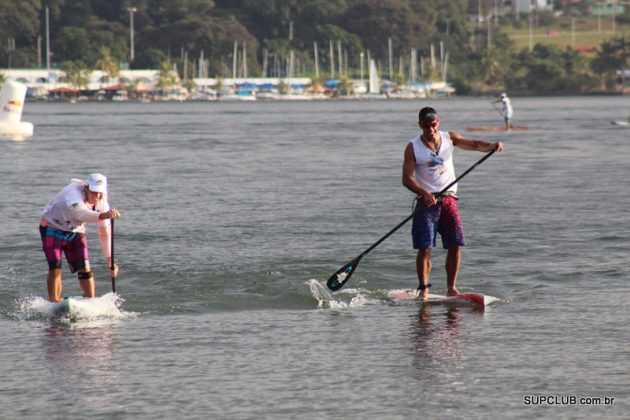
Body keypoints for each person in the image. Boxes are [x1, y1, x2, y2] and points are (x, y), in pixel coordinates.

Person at [402, 107, 503, 300]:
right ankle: (424, 289)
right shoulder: (413, 147)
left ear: (437, 122)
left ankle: (451, 288)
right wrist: (424, 193)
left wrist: (491, 146)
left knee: (455, 244)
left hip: (449, 200)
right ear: (420, 125)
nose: (430, 128)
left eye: (433, 124)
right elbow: (406, 179)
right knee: (425, 248)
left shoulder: (450, 138)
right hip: (427, 203)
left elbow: (473, 144)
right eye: (426, 125)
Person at [39, 173, 121, 302]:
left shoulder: (102, 204)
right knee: (55, 266)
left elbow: (104, 234)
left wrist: (110, 260)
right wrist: (102, 216)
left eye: (101, 193)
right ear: (86, 188)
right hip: (52, 227)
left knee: (85, 267)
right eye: (94, 192)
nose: (98, 196)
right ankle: (54, 301)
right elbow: (80, 213)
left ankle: (91, 300)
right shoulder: (73, 192)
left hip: (75, 231)